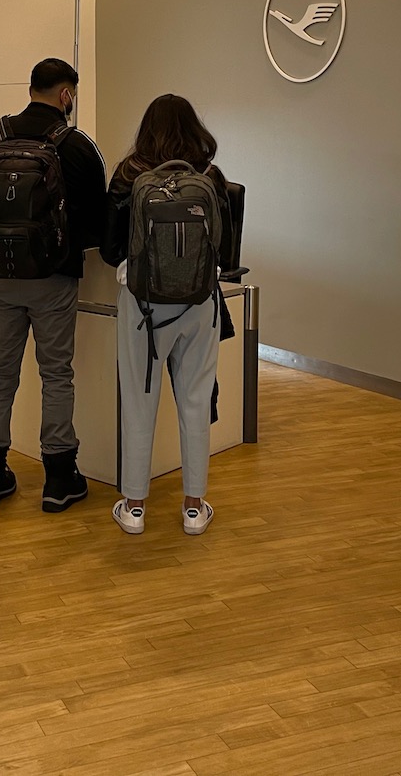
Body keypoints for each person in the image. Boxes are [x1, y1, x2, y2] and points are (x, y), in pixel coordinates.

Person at [0, 58, 107, 513]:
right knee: (56, 374)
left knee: (1, 374)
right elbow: (99, 221)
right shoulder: (76, 146)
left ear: (30, 88)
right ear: (66, 96)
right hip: (52, 279)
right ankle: (59, 480)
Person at [101, 95, 231, 536]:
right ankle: (194, 508)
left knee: (139, 401)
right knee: (195, 400)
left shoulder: (128, 175)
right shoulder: (210, 178)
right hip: (200, 304)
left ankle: (134, 507)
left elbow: (108, 248)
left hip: (141, 306)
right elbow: (227, 252)